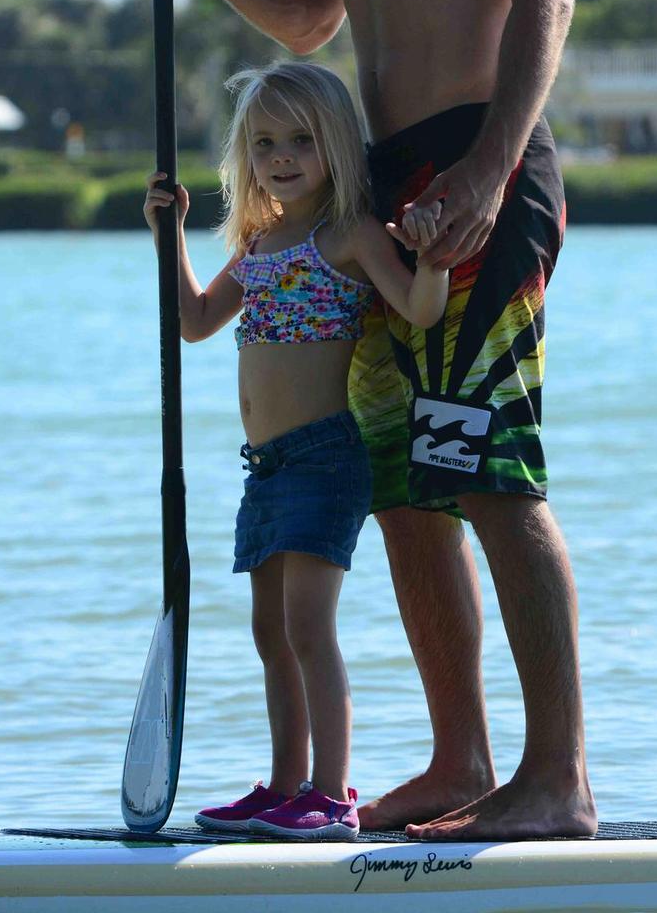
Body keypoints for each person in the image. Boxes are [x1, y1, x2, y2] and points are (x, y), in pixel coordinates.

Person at [131, 0, 597, 842]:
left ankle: (557, 781)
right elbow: (307, 12)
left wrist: (492, 168)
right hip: (383, 185)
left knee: (487, 466)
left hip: (481, 167)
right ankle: (460, 763)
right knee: (401, 479)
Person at [144, 59, 448, 842]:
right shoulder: (261, 241)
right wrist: (168, 234)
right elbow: (195, 319)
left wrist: (435, 260)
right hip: (266, 470)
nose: (282, 157)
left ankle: (330, 792)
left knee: (309, 627)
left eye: (302, 141)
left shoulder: (344, 235)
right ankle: (285, 786)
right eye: (266, 142)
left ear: (337, 146)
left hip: (323, 458)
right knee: (269, 632)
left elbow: (415, 307)